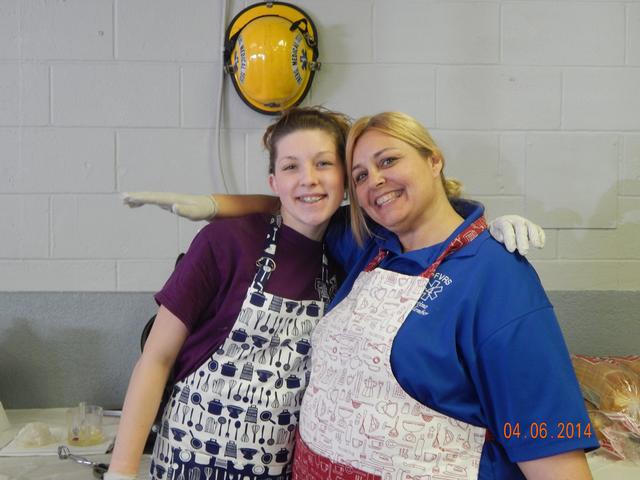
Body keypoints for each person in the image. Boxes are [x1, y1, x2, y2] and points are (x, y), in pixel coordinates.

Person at [291, 112, 598, 479]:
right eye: (359, 175)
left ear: (433, 160)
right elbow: (298, 203)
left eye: (388, 160)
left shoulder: (496, 273)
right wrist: (213, 206)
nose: (375, 180)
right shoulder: (368, 249)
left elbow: (548, 440)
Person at [106, 107, 351, 480]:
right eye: (290, 167)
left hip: (279, 470)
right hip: (189, 462)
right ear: (273, 182)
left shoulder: (347, 253)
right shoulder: (225, 243)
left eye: (323, 164)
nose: (309, 179)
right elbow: (156, 358)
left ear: (345, 177)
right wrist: (122, 470)